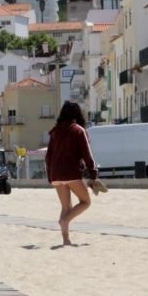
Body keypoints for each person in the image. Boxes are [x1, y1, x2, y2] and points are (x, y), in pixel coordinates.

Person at [45, 100, 102, 246]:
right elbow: (87, 155)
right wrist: (94, 174)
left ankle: (66, 239)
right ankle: (65, 221)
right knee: (85, 202)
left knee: (66, 207)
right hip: (71, 172)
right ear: (78, 114)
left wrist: (50, 176)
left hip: (56, 174)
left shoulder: (55, 131)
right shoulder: (78, 130)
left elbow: (48, 156)